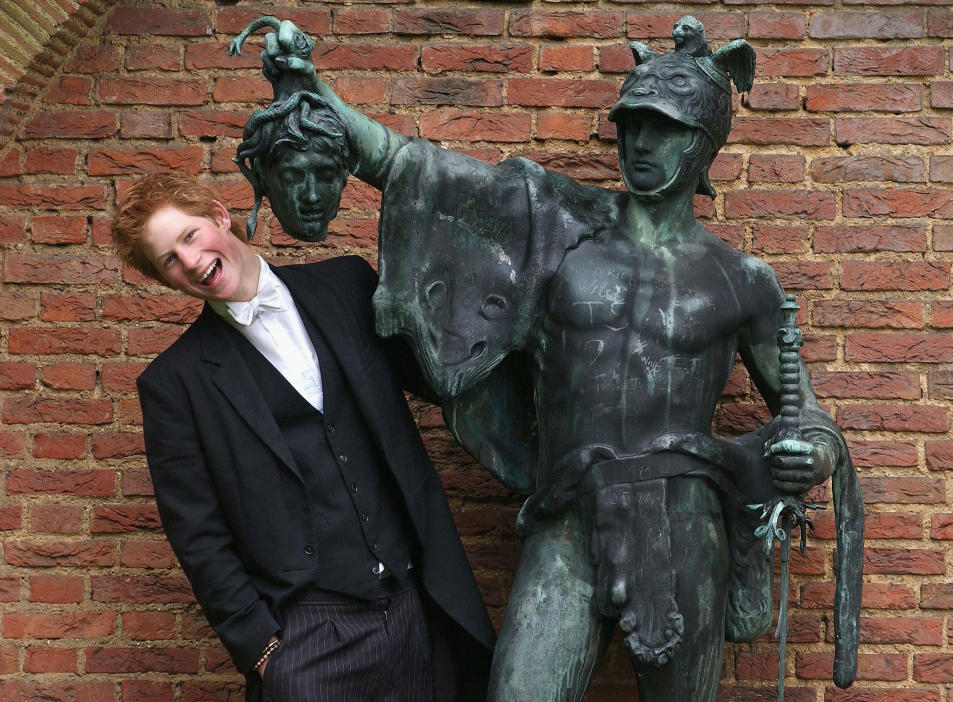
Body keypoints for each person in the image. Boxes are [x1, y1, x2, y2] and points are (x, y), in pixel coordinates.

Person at [230, 14, 862, 702]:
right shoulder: (559, 227)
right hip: (568, 514)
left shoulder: (743, 279)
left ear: (705, 144)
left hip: (685, 526)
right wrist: (310, 90)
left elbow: (812, 419)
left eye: (666, 128)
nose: (642, 142)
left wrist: (814, 453)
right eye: (633, 124)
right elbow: (411, 166)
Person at [111, 171, 495, 702]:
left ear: (221, 216)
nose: (191, 261)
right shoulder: (175, 385)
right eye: (169, 261)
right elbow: (198, 534)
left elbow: (445, 377)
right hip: (310, 641)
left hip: (417, 609)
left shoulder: (347, 285)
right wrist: (266, 653)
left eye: (190, 236)